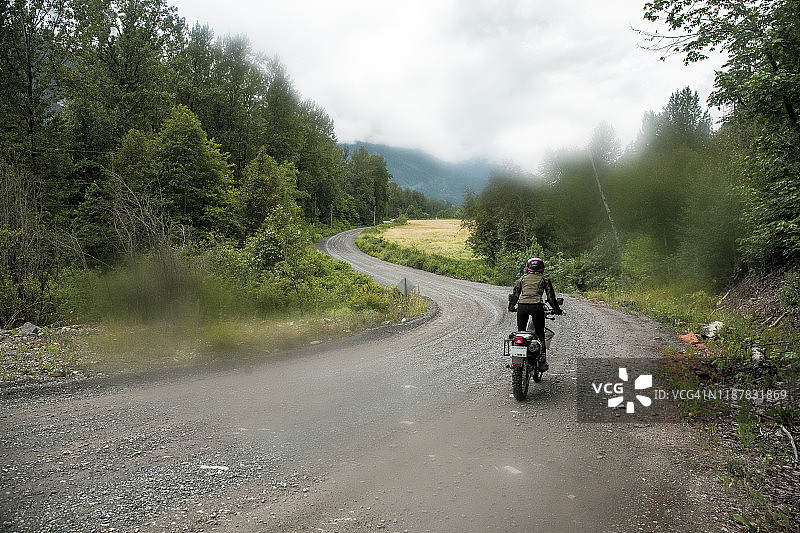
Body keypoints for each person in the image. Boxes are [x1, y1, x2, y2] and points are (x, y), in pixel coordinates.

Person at [508, 257, 562, 371]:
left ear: (528, 267)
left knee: (521, 333)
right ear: (542, 268)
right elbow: (551, 298)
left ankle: (518, 357)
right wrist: (557, 310)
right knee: (540, 334)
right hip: (536, 307)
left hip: (522, 307)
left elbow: (515, 295)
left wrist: (511, 307)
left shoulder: (522, 278)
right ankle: (542, 360)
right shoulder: (544, 280)